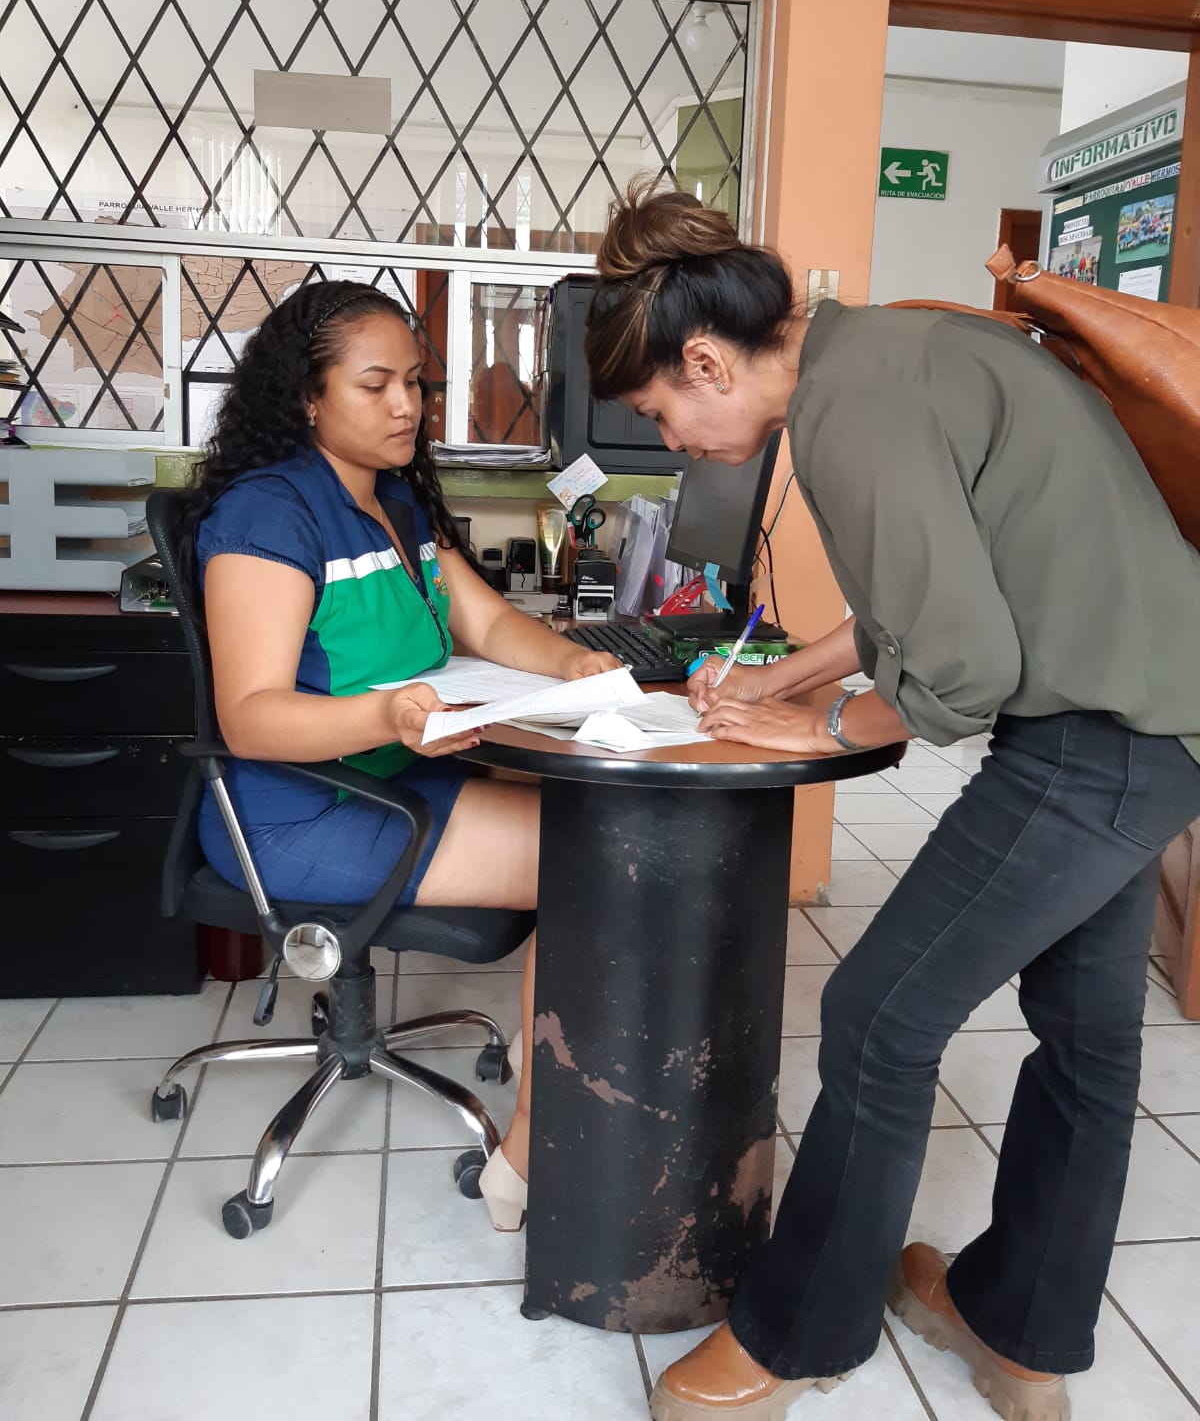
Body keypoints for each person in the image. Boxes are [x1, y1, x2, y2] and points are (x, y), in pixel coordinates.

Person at [583, 180, 1200, 1421]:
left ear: (705, 361)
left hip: (1092, 746)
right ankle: (1019, 1334)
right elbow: (931, 593)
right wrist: (784, 678)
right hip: (1159, 718)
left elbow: (962, 665)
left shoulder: (851, 408)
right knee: (1089, 1033)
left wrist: (826, 722)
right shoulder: (890, 348)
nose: (677, 443)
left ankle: (798, 1338)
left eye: (661, 414)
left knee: (877, 1015)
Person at [185, 279, 621, 1232]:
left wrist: (578, 665)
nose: (406, 406)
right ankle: (530, 1150)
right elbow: (250, 717)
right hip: (300, 811)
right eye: (374, 384)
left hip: (393, 779)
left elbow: (488, 622)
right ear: (307, 397)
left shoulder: (393, 505)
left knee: (606, 821)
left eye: (415, 383)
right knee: (594, 856)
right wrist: (390, 714)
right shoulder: (269, 515)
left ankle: (564, 1086)